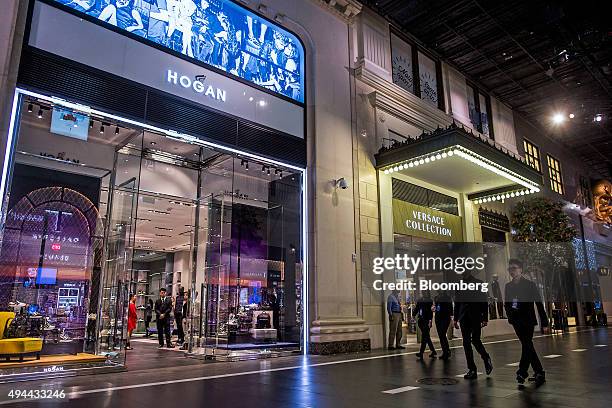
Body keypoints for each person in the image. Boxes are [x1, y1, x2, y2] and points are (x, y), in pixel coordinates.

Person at [505, 259, 549, 385]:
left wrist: (544, 322)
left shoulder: (530, 285)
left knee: (526, 344)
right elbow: (507, 304)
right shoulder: (508, 286)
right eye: (510, 269)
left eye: (514, 268)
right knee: (527, 345)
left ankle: (522, 371)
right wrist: (510, 318)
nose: (511, 271)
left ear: (520, 269)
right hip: (516, 321)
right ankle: (539, 372)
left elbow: (539, 304)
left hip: (528, 320)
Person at [454, 270, 493, 379]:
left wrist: (485, 317)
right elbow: (457, 303)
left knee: (475, 340)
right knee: (466, 342)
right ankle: (472, 369)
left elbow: (484, 301)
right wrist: (455, 318)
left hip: (475, 316)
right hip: (463, 317)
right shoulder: (458, 285)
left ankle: (486, 357)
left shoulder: (479, 283)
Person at [413, 291, 436, 359]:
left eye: (425, 292)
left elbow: (430, 312)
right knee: (427, 337)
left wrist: (430, 321)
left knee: (424, 336)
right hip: (421, 320)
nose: (424, 293)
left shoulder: (430, 301)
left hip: (426, 320)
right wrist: (413, 315)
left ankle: (421, 352)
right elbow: (417, 308)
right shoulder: (420, 300)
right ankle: (433, 351)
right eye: (423, 292)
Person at [434, 290, 453, 360]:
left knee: (442, 333)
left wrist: (452, 317)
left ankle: (446, 351)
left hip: (445, 317)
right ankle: (445, 351)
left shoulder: (447, 297)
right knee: (441, 335)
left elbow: (451, 308)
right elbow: (436, 306)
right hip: (438, 317)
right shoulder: (436, 297)